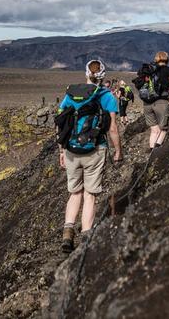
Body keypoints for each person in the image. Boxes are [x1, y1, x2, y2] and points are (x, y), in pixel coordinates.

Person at [56, 59, 122, 253]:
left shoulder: (70, 94)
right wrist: (118, 150)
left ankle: (67, 234)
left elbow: (61, 123)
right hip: (95, 149)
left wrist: (61, 150)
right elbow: (112, 128)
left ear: (86, 74)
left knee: (74, 193)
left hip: (71, 150)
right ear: (103, 76)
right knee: (90, 195)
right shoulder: (107, 96)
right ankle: (86, 238)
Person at [138, 51, 169, 150]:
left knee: (154, 130)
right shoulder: (168, 70)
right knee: (163, 129)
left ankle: (151, 151)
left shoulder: (149, 70)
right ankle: (155, 153)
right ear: (167, 59)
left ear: (156, 59)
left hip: (147, 103)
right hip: (161, 102)